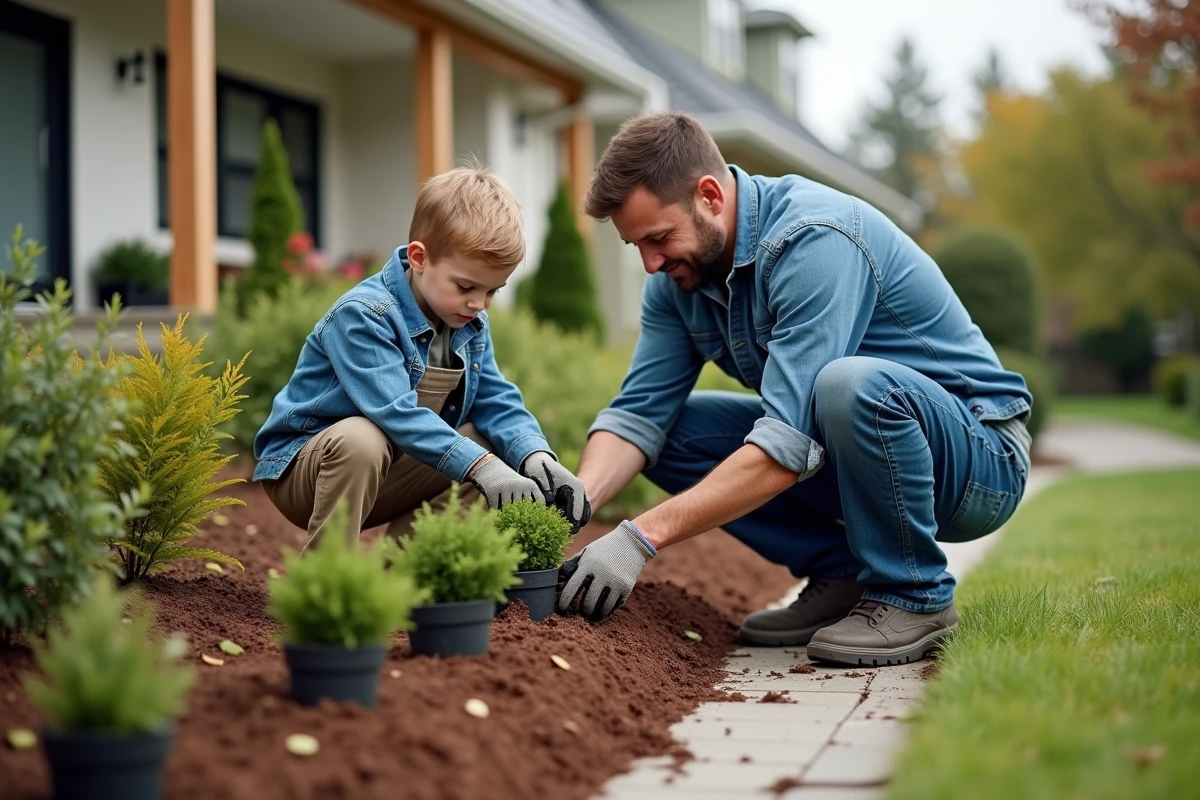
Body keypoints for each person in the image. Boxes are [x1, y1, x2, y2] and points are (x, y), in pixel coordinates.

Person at [556, 112, 1030, 666]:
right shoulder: (678, 282)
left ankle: (915, 595)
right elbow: (638, 416)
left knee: (849, 383)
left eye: (659, 238)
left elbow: (783, 449)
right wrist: (577, 501)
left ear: (710, 195)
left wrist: (640, 537)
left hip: (976, 462)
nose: (651, 262)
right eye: (637, 245)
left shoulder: (813, 240)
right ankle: (843, 577)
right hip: (865, 454)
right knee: (674, 434)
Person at [253, 166, 591, 547]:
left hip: (388, 472)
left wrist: (535, 455)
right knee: (364, 439)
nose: (479, 304)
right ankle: (328, 585)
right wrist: (482, 466)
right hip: (307, 474)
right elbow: (395, 412)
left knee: (496, 443)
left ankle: (406, 575)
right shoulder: (365, 315)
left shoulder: (468, 321)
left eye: (493, 291)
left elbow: (496, 399)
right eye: (466, 286)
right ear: (419, 258)